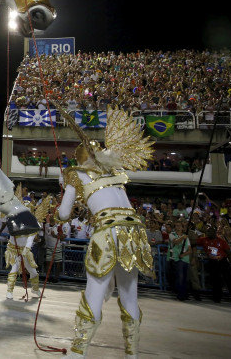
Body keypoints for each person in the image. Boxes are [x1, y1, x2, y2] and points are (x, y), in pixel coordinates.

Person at [57, 106, 154, 359]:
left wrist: (66, 191)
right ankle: (132, 354)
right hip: (134, 231)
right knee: (129, 297)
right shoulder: (115, 173)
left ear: (78, 159)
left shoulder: (76, 175)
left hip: (109, 231)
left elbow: (65, 215)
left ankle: (77, 353)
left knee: (95, 293)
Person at [196, 226, 231, 305]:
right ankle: (217, 297)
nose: (209, 233)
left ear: (215, 233)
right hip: (212, 262)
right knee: (215, 280)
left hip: (222, 261)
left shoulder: (221, 241)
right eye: (208, 232)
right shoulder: (204, 240)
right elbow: (193, 241)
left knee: (230, 280)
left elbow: (228, 252)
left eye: (211, 231)